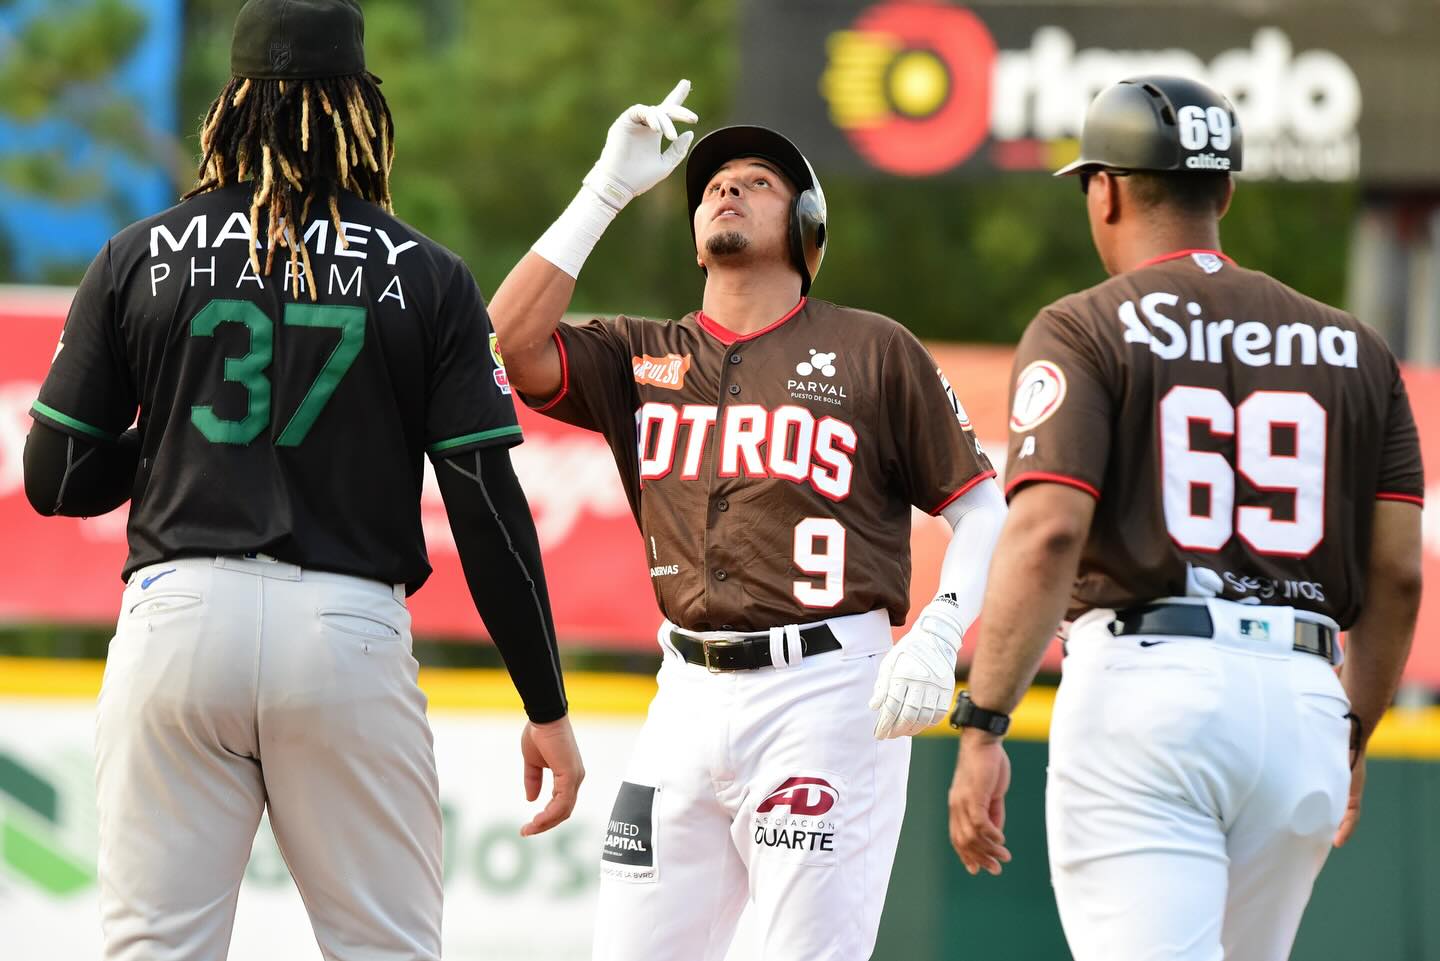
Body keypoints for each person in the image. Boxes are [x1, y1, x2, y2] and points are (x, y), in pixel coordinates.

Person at [22, 2, 582, 958]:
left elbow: (57, 474)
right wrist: (547, 705)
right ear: (363, 108)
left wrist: (165, 444)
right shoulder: (428, 273)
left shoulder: (137, 254)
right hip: (346, 629)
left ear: (230, 105)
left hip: (177, 616)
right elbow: (486, 507)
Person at [486, 80, 1005, 960]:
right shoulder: (642, 352)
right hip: (683, 690)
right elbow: (507, 339)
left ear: (807, 229)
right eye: (713, 184)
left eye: (758, 180)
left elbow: (982, 503)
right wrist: (603, 192)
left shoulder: (875, 347)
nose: (726, 187)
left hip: (829, 690)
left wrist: (941, 626)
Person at [947, 75, 1424, 961]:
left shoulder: (1083, 327)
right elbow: (1397, 571)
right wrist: (1349, 728)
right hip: (1305, 697)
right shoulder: (1356, 346)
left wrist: (984, 717)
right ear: (1227, 191)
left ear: (1108, 187)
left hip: (1149, 690)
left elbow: (1050, 530)